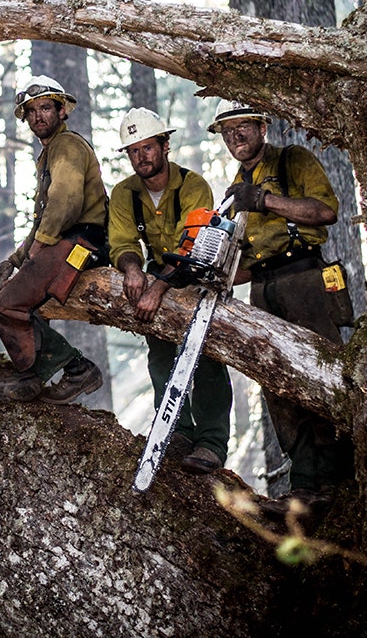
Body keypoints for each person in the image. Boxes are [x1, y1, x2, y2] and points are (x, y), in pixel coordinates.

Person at [209, 101, 350, 514]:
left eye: (242, 127)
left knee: (320, 376)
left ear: (262, 126)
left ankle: (339, 483)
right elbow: (249, 263)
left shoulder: (292, 160)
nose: (235, 137)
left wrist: (264, 200)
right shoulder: (238, 185)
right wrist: (207, 274)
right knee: (279, 386)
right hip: (264, 289)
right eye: (227, 131)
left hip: (304, 280)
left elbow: (326, 211)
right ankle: (304, 487)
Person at [106, 108, 232, 474]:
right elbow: (122, 241)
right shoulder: (124, 193)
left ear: (165, 145)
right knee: (160, 352)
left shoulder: (193, 186)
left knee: (206, 356)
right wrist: (132, 271)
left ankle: (211, 442)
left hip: (201, 274)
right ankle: (176, 431)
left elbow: (194, 248)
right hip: (156, 271)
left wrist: (157, 287)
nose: (140, 157)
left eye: (147, 147)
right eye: (132, 151)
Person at [0, 76, 107, 403]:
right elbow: (44, 222)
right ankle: (35, 375)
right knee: (19, 302)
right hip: (70, 239)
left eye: (46, 108)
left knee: (5, 306)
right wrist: (13, 261)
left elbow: (65, 202)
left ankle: (74, 369)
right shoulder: (51, 152)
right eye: (32, 110)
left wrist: (38, 250)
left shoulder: (66, 146)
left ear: (62, 111)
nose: (38, 116)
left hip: (82, 242)